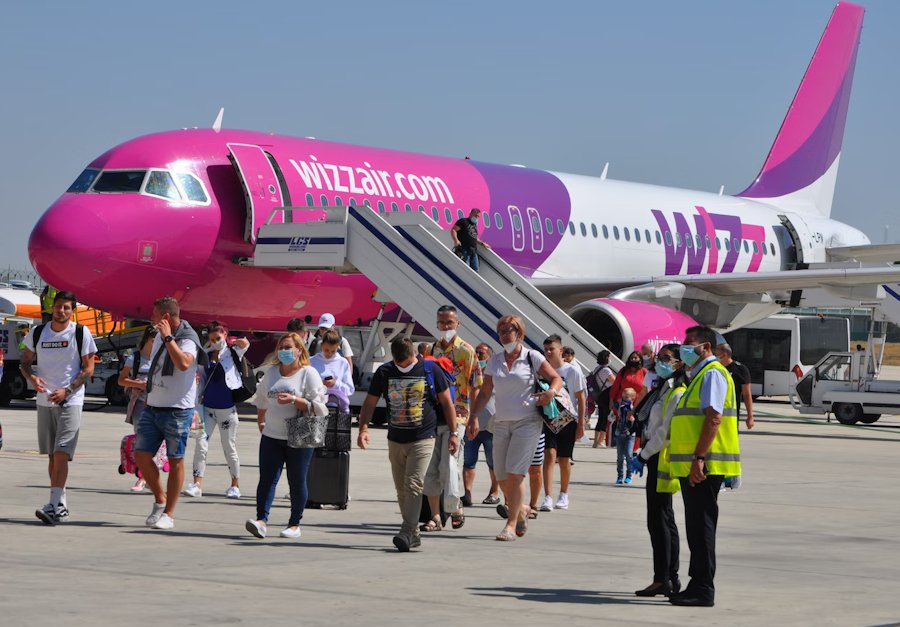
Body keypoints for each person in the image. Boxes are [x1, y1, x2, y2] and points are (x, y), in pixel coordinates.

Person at [468, 315, 562, 541]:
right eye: (499, 332)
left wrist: (551, 392)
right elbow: (486, 391)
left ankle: (510, 524)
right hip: (501, 421)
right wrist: (474, 417)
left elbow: (555, 378)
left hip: (527, 421)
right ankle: (521, 512)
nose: (502, 336)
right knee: (501, 476)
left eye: (507, 331)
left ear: (519, 333)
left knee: (515, 473)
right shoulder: (495, 360)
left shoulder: (533, 356)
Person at [357, 337, 457, 552]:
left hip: (423, 437)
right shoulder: (384, 372)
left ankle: (406, 530)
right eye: (399, 363)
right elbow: (369, 403)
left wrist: (454, 433)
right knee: (401, 489)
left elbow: (447, 402)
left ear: (414, 353)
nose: (403, 366)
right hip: (395, 439)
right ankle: (414, 534)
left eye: (407, 362)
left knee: (413, 484)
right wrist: (364, 428)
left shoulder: (431, 369)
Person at [667, 325, 741, 607]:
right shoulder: (700, 376)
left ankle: (703, 588)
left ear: (706, 347)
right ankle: (696, 583)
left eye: (690, 343)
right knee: (697, 527)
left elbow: (714, 419)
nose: (684, 348)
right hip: (697, 465)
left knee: (702, 526)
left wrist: (699, 458)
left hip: (704, 465)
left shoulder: (711, 374)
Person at [21, 290, 97, 524]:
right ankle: (61, 502)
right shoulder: (37, 333)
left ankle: (53, 506)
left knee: (62, 452)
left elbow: (88, 369)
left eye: (66, 307)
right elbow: (24, 363)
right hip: (44, 401)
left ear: (73, 310)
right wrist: (32, 379)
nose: (61, 311)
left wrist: (68, 390)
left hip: (70, 401)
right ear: (51, 308)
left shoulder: (81, 333)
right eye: (58, 307)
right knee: (53, 457)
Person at [136, 296, 208, 531]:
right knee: (141, 455)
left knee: (176, 460)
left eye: (155, 314)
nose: (151, 318)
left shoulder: (188, 337)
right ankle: (160, 499)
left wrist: (168, 338)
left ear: (166, 317)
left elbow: (184, 364)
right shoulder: (158, 334)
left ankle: (169, 513)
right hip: (154, 404)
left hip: (177, 409)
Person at [246, 332, 327, 539]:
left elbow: (319, 407)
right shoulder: (272, 372)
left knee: (297, 481)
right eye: (281, 347)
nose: (284, 351)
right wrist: (261, 420)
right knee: (267, 479)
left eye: (288, 347)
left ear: (299, 350)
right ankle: (261, 520)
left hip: (299, 435)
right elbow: (262, 399)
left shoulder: (308, 373)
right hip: (272, 435)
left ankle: (294, 524)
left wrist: (294, 400)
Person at [629, 344, 686, 598]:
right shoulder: (662, 387)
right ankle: (666, 577)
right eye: (659, 358)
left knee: (660, 520)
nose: (660, 363)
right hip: (655, 457)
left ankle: (665, 578)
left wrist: (642, 455)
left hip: (660, 459)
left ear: (678, 363)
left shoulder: (676, 392)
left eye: (667, 359)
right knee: (662, 519)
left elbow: (664, 432)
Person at [422, 305, 481, 530]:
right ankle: (435, 515)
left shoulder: (467, 351)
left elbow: (476, 385)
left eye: (449, 322)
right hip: (433, 416)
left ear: (458, 324)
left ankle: (456, 506)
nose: (445, 326)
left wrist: (475, 417)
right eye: (442, 322)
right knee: (431, 467)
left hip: (459, 415)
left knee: (450, 463)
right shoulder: (432, 351)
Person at [183, 322, 250, 499]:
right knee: (200, 445)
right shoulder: (205, 354)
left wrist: (235, 342)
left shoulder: (232, 353)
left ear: (225, 335)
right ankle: (197, 483)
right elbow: (201, 378)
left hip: (227, 410)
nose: (215, 342)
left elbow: (245, 345)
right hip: (206, 408)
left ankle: (235, 485)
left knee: (229, 447)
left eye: (218, 338)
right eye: (212, 339)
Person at [539, 334, 586, 511]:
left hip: (568, 419)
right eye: (546, 350)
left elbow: (581, 397)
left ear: (561, 350)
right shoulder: (543, 369)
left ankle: (563, 493)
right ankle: (548, 496)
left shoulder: (572, 371)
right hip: (548, 419)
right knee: (549, 455)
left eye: (552, 349)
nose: (548, 352)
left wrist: (581, 423)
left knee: (564, 459)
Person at [117, 326, 157, 492]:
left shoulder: (161, 358)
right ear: (147, 339)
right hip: (140, 404)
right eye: (154, 340)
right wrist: (138, 384)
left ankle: (146, 477)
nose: (156, 344)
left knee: (156, 443)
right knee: (142, 442)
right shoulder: (135, 358)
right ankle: (143, 477)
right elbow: (121, 380)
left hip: (158, 404)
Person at [462, 343, 499, 505]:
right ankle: (467, 493)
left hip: (491, 427)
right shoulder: (468, 373)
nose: (478, 355)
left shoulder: (495, 375)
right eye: (476, 353)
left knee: (493, 463)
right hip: (470, 426)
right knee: (469, 461)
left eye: (482, 353)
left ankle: (494, 492)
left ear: (489, 357)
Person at [715, 342, 752, 491]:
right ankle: (720, 477)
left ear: (724, 354)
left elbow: (747, 394)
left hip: (730, 417)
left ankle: (730, 478)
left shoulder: (739, 369)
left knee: (728, 447)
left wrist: (750, 416)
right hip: (715, 414)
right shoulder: (715, 369)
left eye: (716, 353)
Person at [309, 328, 356, 398]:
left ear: (338, 348)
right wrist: (321, 384)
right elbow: (305, 387)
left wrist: (335, 384)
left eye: (333, 351)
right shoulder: (311, 361)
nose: (329, 353)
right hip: (316, 403)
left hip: (337, 404)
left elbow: (350, 390)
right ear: (321, 346)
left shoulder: (343, 362)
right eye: (326, 350)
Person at [590, 350, 616, 448]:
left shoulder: (597, 368)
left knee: (600, 418)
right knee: (605, 418)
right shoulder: (607, 370)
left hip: (599, 395)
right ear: (606, 358)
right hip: (606, 396)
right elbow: (614, 381)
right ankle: (600, 441)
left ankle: (595, 442)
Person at [613, 387, 637, 485]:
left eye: (627, 397)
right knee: (620, 456)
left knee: (629, 455)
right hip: (619, 432)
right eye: (623, 396)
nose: (624, 398)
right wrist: (618, 404)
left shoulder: (633, 407)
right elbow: (616, 410)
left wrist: (632, 416)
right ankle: (620, 476)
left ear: (632, 398)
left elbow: (635, 419)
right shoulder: (620, 405)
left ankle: (629, 475)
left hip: (630, 434)